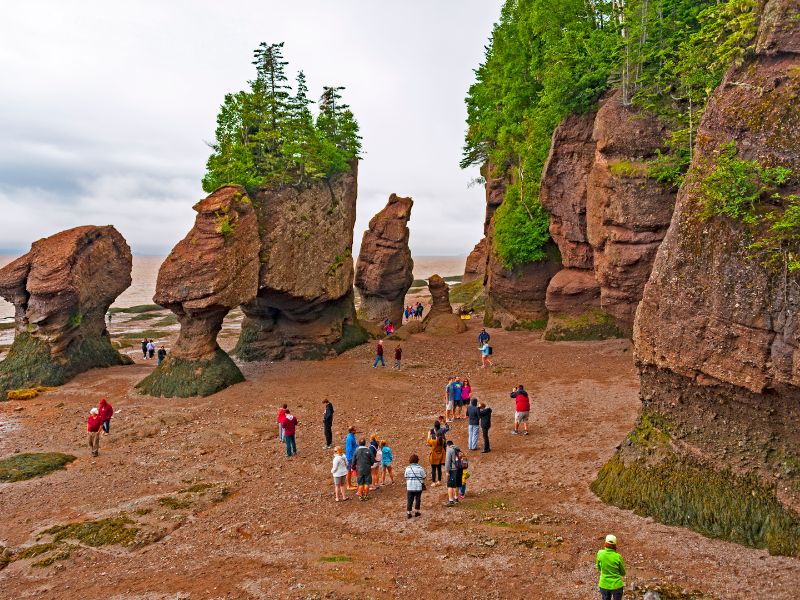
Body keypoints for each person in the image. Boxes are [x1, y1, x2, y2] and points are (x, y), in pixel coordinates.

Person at [596, 534, 626, 600]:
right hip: (617, 585)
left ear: (605, 543)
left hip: (604, 584)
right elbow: (623, 573)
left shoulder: (600, 553)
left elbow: (598, 567)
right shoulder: (618, 556)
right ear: (615, 545)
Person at [404, 454, 426, 518]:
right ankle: (417, 512)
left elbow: (405, 476)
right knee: (418, 499)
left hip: (410, 487)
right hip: (418, 487)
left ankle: (409, 513)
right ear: (417, 460)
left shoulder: (407, 468)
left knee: (410, 499)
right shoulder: (420, 468)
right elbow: (424, 476)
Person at [444, 441, 463, 506]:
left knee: (450, 485)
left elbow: (447, 461)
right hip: (460, 469)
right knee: (457, 484)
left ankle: (451, 501)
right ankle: (456, 498)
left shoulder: (450, 450)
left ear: (448, 445)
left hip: (453, 470)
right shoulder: (458, 449)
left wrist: (447, 471)